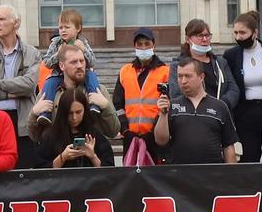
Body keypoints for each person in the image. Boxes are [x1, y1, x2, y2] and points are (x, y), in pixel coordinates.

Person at [35, 41, 117, 164]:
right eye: (74, 62)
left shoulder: (98, 90)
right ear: (62, 66)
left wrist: (106, 106)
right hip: (57, 165)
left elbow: (113, 131)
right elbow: (34, 135)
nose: (79, 65)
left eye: (82, 61)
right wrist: (34, 113)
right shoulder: (49, 93)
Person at [153, 55, 238, 164]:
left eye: (188, 76)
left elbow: (228, 146)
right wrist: (163, 115)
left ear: (201, 77)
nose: (183, 81)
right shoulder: (171, 106)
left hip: (212, 174)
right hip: (179, 174)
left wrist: (232, 177)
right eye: (180, 76)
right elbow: (160, 141)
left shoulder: (219, 106)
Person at [0, 4, 42, 132]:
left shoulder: (32, 53)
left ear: (16, 23)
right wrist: (8, 94)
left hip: (23, 122)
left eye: (2, 19)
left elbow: (28, 86)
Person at [224, 11, 262, 159]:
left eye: (243, 32)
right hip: (245, 113)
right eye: (236, 33)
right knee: (249, 154)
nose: (238, 37)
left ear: (255, 32)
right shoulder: (231, 55)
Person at [32, 73, 121, 168]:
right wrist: (63, 157)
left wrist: (92, 156)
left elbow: (109, 171)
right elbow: (40, 171)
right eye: (70, 113)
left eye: (78, 112)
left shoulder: (95, 136)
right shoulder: (50, 137)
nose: (74, 117)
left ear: (85, 110)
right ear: (63, 112)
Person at [116, 29, 171, 163]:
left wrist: (154, 131)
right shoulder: (125, 71)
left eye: (147, 44)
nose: (143, 47)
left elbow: (167, 103)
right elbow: (118, 104)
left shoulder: (165, 71)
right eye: (139, 44)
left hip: (155, 139)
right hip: (130, 138)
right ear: (134, 46)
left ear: (154, 45)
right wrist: (125, 130)